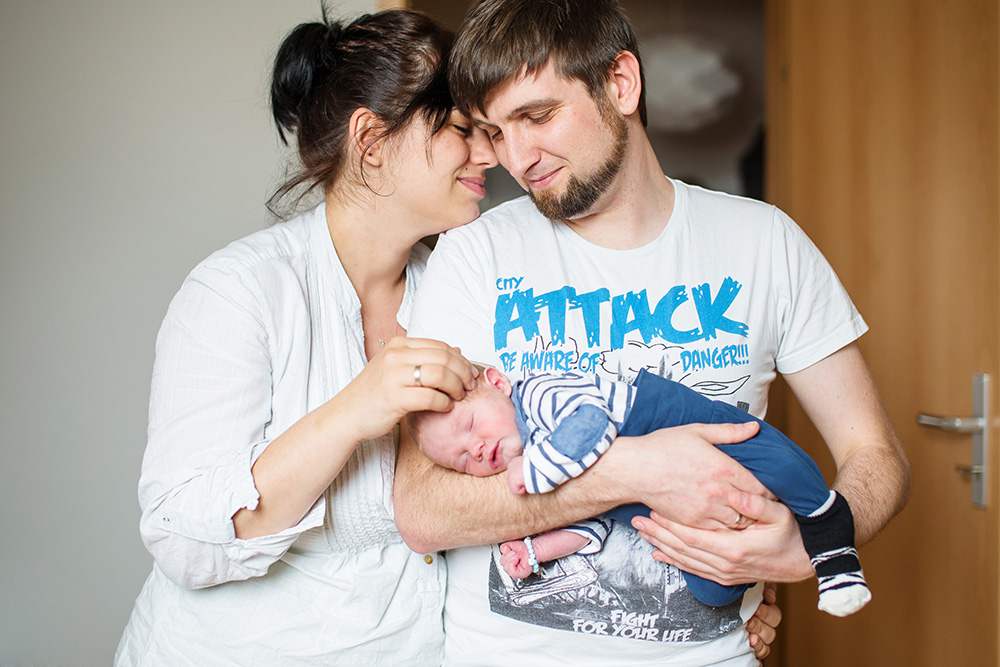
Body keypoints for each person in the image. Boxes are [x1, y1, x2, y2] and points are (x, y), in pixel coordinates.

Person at [392, 0, 910, 665]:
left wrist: (805, 545)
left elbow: (877, 455)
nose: (516, 157)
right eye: (495, 130)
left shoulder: (765, 243)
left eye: (538, 115)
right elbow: (422, 508)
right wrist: (634, 469)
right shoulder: (473, 255)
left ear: (621, 84)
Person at [114, 10, 493, 664]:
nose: (488, 153)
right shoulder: (239, 291)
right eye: (462, 129)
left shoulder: (466, 292)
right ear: (371, 139)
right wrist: (354, 410)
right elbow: (182, 538)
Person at [408, 366, 870, 617]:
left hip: (678, 419)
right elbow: (593, 525)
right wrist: (536, 548)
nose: (478, 448)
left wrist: (535, 471)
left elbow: (591, 425)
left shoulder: (538, 397)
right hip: (665, 512)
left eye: (471, 426)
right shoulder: (532, 453)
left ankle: (834, 555)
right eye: (462, 460)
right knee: (714, 591)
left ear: (497, 382)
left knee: (779, 464)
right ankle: (756, 576)